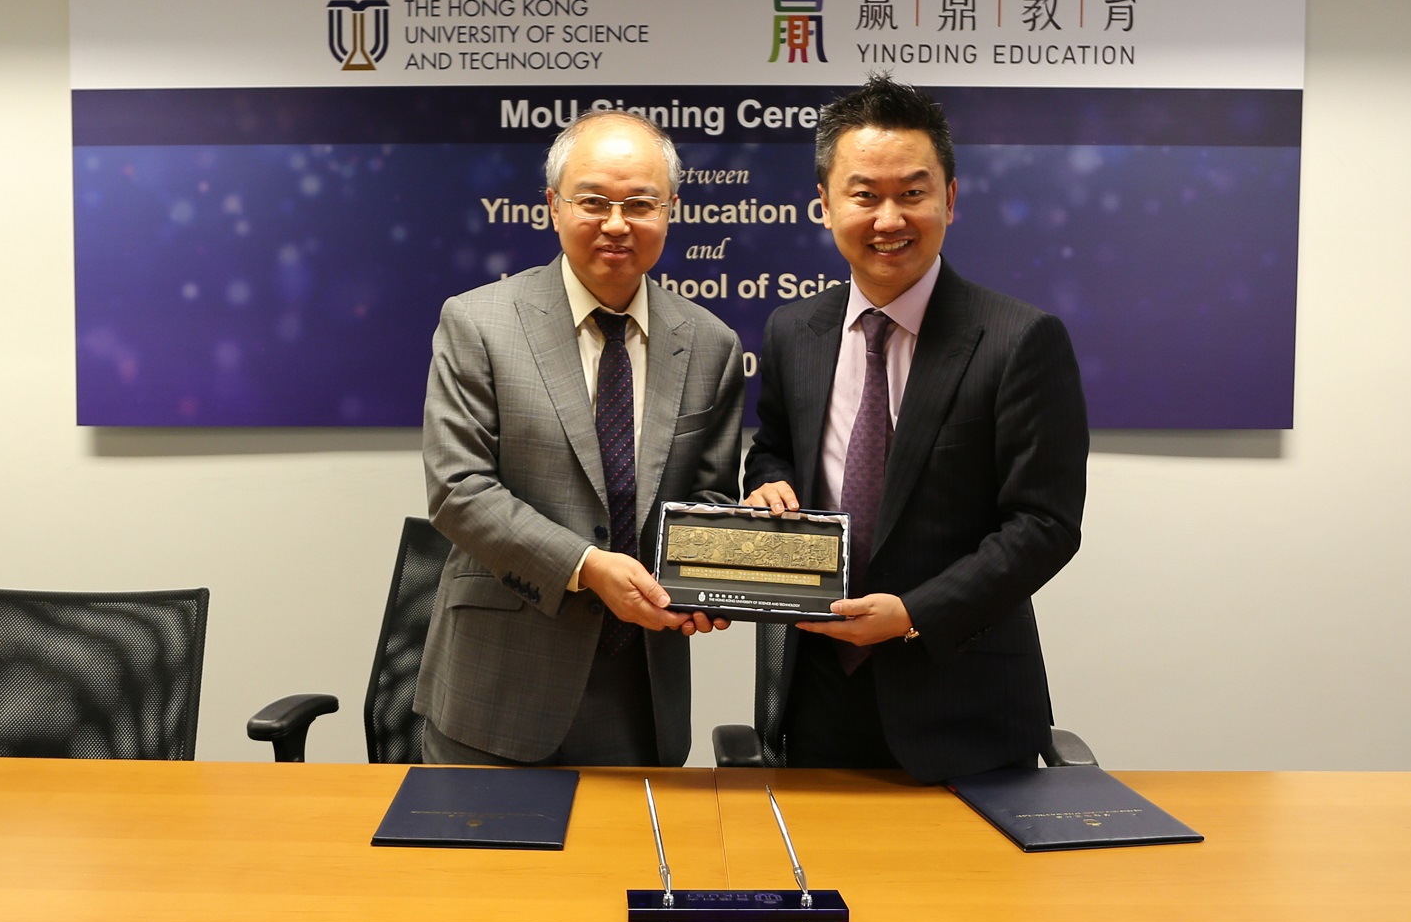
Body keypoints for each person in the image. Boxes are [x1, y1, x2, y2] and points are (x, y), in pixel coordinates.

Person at [742, 75, 1088, 782]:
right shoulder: (792, 333)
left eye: (913, 191)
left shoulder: (1019, 339)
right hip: (815, 702)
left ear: (951, 200)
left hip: (964, 705)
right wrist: (767, 481)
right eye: (864, 194)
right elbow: (773, 447)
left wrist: (912, 612)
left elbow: (1044, 523)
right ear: (825, 205)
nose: (889, 217)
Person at [415, 110, 743, 766]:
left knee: (630, 869)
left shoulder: (711, 344)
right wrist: (587, 567)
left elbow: (705, 494)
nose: (617, 224)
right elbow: (458, 491)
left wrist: (713, 572)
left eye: (640, 204)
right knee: (485, 872)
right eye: (594, 201)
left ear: (670, 209)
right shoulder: (479, 323)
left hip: (642, 689)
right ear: (554, 206)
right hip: (499, 691)